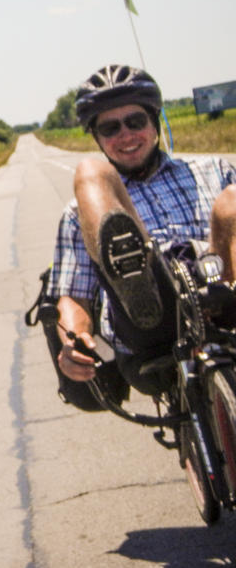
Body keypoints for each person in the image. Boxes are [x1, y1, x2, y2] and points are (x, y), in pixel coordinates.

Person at [49, 65, 236, 395]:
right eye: (110, 128)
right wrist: (74, 337)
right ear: (96, 137)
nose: (125, 135)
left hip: (218, 284)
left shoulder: (214, 170)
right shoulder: (82, 210)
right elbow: (73, 294)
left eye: (135, 122)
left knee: (231, 203)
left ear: (155, 122)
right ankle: (137, 278)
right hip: (151, 322)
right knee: (91, 171)